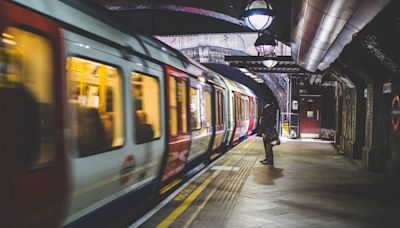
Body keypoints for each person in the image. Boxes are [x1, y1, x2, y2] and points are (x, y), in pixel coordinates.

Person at [258, 97, 280, 166]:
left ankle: (269, 160)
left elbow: (265, 121)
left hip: (267, 131)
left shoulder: (267, 109)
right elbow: (273, 121)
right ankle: (268, 158)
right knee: (268, 145)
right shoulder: (272, 109)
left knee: (267, 145)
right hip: (269, 129)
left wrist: (262, 132)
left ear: (265, 102)